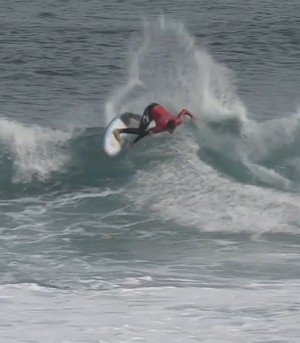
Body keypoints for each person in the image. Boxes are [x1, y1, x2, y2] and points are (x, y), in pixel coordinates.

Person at [113, 103, 195, 146]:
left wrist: (192, 116)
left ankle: (130, 115)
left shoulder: (178, 121)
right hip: (150, 110)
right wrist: (134, 142)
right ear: (167, 128)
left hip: (158, 108)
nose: (172, 131)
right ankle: (118, 131)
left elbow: (184, 111)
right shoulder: (161, 127)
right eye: (171, 130)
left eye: (173, 129)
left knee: (144, 122)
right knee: (140, 130)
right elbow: (145, 133)